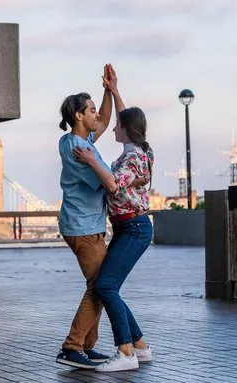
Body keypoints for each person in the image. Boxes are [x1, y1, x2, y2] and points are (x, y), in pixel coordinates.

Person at [55, 65, 147, 369]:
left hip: (88, 226)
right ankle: (73, 346)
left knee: (101, 285)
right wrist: (132, 180)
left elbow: (107, 121)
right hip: (82, 228)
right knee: (101, 287)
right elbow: (110, 182)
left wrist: (109, 90)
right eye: (92, 110)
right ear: (79, 116)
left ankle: (86, 346)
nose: (99, 115)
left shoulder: (81, 142)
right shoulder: (79, 151)